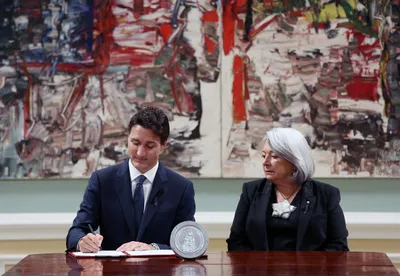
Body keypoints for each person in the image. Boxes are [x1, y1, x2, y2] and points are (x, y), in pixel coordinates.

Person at [66, 106, 196, 252]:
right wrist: (82, 242)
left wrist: (154, 248)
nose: (140, 152)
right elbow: (76, 231)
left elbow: (187, 240)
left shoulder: (181, 188)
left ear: (163, 146)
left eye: (149, 145)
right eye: (135, 143)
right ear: (127, 139)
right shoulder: (102, 180)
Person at [227, 127, 349, 251]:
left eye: (274, 156)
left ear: (295, 160)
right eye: (264, 155)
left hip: (310, 269)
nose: (265, 162)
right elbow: (236, 242)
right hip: (260, 269)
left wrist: (311, 267)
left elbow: (338, 246)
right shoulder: (251, 191)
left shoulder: (326, 194)